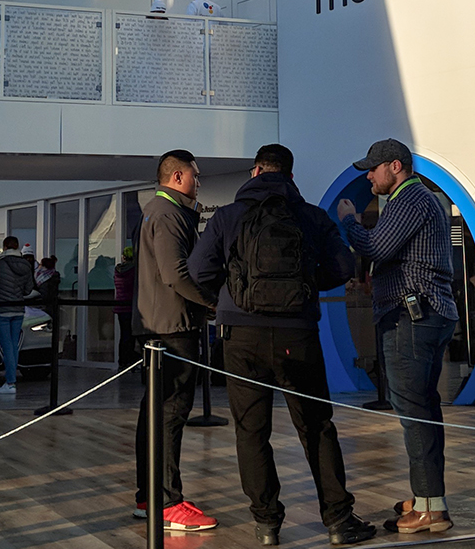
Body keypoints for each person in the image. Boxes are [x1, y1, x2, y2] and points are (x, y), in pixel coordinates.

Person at [190, 144, 374, 547]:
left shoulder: (227, 217)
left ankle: (267, 524)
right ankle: (339, 521)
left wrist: (227, 298)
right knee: (316, 428)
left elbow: (198, 270)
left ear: (255, 172)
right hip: (298, 335)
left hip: (241, 336)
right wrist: (306, 288)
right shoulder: (311, 216)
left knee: (251, 432)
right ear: (290, 176)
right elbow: (343, 268)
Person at [336, 139, 456, 535]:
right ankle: (427, 498)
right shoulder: (419, 199)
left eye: (373, 169)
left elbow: (373, 246)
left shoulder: (409, 200)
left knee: (414, 414)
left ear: (395, 167)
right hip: (425, 314)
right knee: (423, 409)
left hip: (411, 316)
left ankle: (430, 511)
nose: (368, 176)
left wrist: (350, 220)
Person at [131, 150, 219, 532]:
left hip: (160, 326)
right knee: (170, 415)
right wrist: (212, 304)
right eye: (196, 176)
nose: (199, 182)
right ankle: (167, 502)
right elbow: (175, 273)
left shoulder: (157, 210)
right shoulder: (168, 214)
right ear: (179, 176)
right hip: (172, 328)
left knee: (153, 413)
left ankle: (149, 497)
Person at [0, 236, 35, 395]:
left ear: (4, 247)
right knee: (13, 346)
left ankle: (10, 382)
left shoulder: (0, 264)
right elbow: (28, 290)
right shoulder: (26, 265)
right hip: (18, 309)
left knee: (7, 346)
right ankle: (11, 381)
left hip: (1, 309)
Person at [114, 246, 137, 370]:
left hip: (120, 306)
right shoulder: (134, 271)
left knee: (124, 334)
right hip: (131, 306)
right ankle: (130, 360)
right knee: (131, 335)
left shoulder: (117, 270)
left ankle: (122, 360)